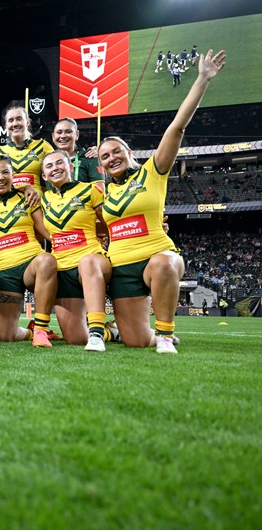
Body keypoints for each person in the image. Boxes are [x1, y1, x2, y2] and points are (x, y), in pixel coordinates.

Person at [98, 49, 227, 354]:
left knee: (165, 263)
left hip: (157, 256)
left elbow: (177, 128)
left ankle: (166, 336)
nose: (112, 157)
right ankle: (127, 330)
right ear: (101, 166)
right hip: (122, 269)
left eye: (117, 151)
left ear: (130, 154)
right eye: (105, 156)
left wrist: (202, 79)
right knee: (136, 342)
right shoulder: (105, 193)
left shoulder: (152, 171)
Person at [0, 155, 58, 347]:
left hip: (31, 263)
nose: (1, 177)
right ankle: (30, 331)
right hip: (4, 272)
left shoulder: (27, 197)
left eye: (6, 172)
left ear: (14, 176)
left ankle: (41, 329)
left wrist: (68, 241)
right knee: (6, 335)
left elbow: (44, 230)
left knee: (46, 260)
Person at [40, 150, 112, 351]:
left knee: (87, 262)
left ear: (71, 167)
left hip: (92, 260)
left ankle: (97, 332)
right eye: (49, 166)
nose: (56, 168)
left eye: (59, 163)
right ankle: (110, 331)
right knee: (75, 339)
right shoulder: (44, 199)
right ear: (44, 176)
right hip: (62, 269)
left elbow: (111, 221)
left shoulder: (91, 190)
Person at [0, 102, 54, 201]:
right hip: (8, 205)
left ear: (27, 122)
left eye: (19, 119)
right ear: (6, 125)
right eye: (11, 120)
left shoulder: (43, 146)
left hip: (37, 203)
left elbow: (56, 175)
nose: (15, 124)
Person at [50, 118, 105, 192]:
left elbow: (100, 191)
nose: (63, 136)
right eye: (59, 132)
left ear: (77, 135)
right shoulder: (47, 162)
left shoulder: (90, 158)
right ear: (53, 136)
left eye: (68, 132)